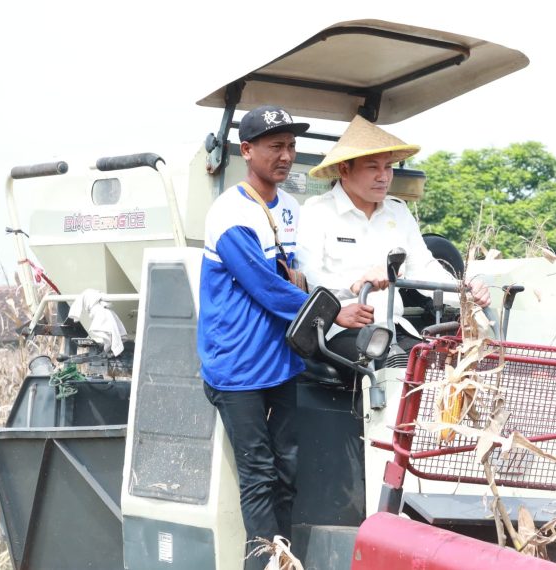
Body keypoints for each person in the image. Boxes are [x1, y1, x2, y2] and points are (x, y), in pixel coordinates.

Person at [196, 104, 374, 569]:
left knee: (288, 472)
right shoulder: (230, 214)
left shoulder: (291, 208)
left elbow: (298, 273)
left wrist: (328, 288)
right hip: (237, 368)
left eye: (291, 147)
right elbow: (268, 287)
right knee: (258, 478)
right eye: (275, 146)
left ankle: (281, 561)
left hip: (281, 361)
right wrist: (335, 314)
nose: (286, 156)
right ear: (246, 150)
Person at [296, 115, 489, 364]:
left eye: (387, 167)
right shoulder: (317, 211)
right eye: (372, 167)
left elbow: (425, 268)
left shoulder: (398, 212)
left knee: (442, 365)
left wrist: (465, 291)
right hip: (340, 329)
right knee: (392, 365)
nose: (384, 176)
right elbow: (309, 277)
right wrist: (355, 284)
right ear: (344, 169)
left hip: (394, 327)